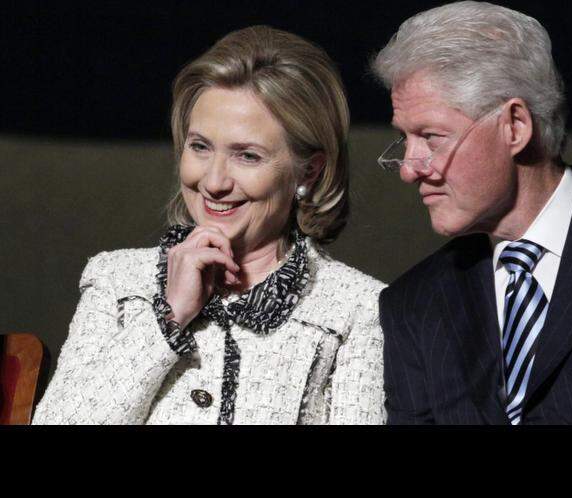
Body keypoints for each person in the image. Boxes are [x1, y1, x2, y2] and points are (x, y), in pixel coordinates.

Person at [33, 26, 387, 425]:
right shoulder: (116, 283)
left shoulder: (358, 310)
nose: (214, 182)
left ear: (309, 170)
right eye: (200, 147)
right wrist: (167, 318)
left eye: (247, 156)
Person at [372, 1, 572, 425]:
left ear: (515, 126)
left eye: (432, 137)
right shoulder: (413, 306)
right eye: (405, 139)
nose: (408, 169)